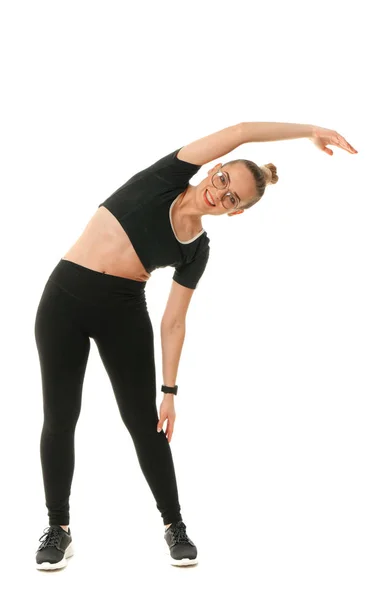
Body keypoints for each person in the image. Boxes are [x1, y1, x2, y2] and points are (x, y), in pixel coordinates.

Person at [33, 121, 358, 570]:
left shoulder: (196, 249)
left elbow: (174, 321)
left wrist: (169, 392)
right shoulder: (167, 176)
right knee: (61, 417)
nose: (219, 193)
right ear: (215, 167)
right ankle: (58, 529)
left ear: (235, 212)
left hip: (123, 312)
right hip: (64, 299)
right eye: (222, 180)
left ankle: (174, 526)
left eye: (231, 199)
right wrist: (309, 130)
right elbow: (242, 130)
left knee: (145, 425)